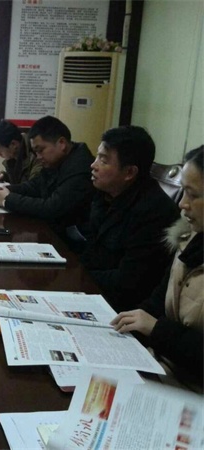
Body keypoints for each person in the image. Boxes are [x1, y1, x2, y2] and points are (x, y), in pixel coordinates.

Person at [111, 146, 203, 392]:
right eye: (183, 191)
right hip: (161, 369)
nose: (182, 204)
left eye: (193, 195)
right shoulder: (189, 239)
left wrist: (156, 328)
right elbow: (158, 300)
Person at [79, 126, 180, 311]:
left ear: (129, 173)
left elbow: (127, 281)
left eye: (103, 160)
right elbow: (92, 250)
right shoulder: (105, 193)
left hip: (123, 308)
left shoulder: (154, 212)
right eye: (97, 157)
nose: (93, 165)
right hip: (95, 291)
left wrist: (77, 275)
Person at [0, 115, 94, 236]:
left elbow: (52, 208)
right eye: (36, 152)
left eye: (41, 150)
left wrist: (7, 199)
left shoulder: (80, 167)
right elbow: (34, 186)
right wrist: (4, 190)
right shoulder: (56, 162)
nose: (38, 157)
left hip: (73, 239)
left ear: (62, 143)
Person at [0, 119, 42, 184]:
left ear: (14, 144)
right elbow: (19, 180)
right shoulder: (13, 157)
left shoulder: (37, 155)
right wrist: (4, 176)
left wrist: (9, 189)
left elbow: (32, 186)